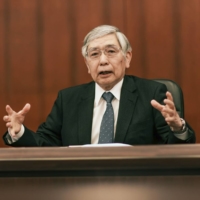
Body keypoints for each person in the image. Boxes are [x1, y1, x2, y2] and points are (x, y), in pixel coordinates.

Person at [2, 25, 195, 146]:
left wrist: (178, 128)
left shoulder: (152, 94)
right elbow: (46, 143)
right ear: (87, 64)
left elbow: (174, 147)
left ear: (127, 58)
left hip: (136, 183)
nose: (102, 61)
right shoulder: (68, 100)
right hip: (78, 184)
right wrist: (19, 132)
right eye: (94, 54)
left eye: (111, 51)